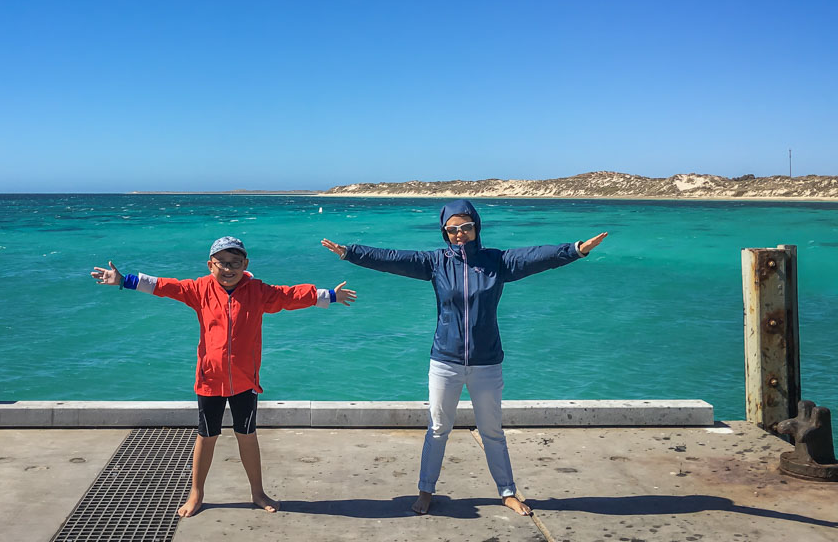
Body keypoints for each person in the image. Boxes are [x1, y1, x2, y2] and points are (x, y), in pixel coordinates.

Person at [322, 200, 606, 517]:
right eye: (452, 229)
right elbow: (393, 259)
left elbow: (537, 257)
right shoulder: (435, 263)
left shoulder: (497, 262)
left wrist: (576, 249)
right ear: (444, 232)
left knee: (492, 432)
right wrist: (351, 252)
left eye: (465, 228)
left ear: (476, 227)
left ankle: (507, 492)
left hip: (487, 363)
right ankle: (426, 490)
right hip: (445, 361)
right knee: (438, 429)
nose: (459, 234)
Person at [92, 235, 356, 517]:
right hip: (209, 379)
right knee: (207, 436)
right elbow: (164, 286)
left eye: (235, 263)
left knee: (247, 435)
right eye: (222, 263)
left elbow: (289, 295)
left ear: (246, 264)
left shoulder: (257, 291)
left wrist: (328, 295)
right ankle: (196, 493)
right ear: (210, 264)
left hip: (245, 381)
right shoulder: (198, 289)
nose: (229, 269)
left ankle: (257, 492)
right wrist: (124, 280)